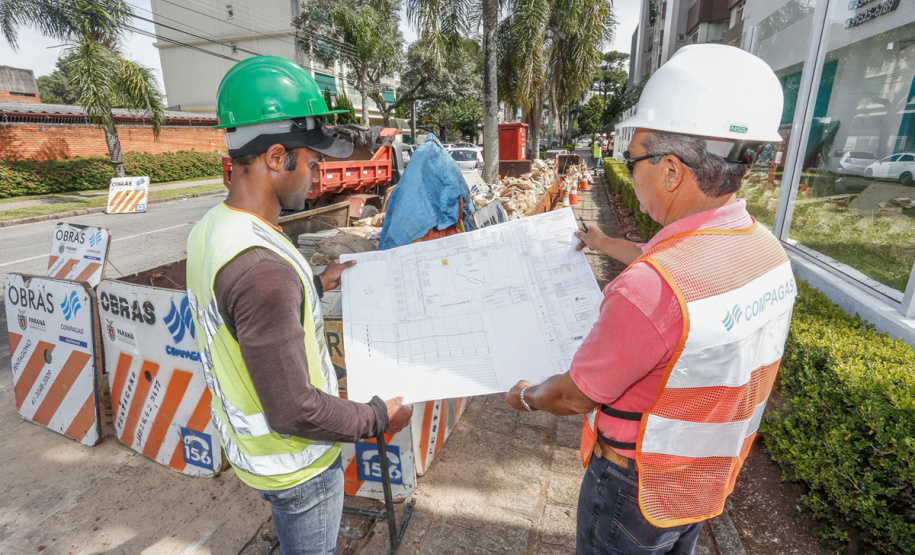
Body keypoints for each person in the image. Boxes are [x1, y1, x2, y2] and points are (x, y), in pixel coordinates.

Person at [506, 44, 796, 554]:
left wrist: (527, 396)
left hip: (631, 494)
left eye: (631, 157)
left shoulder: (652, 289)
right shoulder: (765, 252)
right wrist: (600, 242)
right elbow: (688, 272)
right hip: (699, 485)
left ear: (671, 171)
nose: (627, 167)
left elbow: (574, 395)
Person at [185, 56, 413, 555]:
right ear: (274, 158)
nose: (319, 175)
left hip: (254, 455)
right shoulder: (265, 273)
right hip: (298, 466)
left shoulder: (214, 230)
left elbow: (241, 310)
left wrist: (313, 282)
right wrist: (377, 417)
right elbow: (293, 409)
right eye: (313, 162)